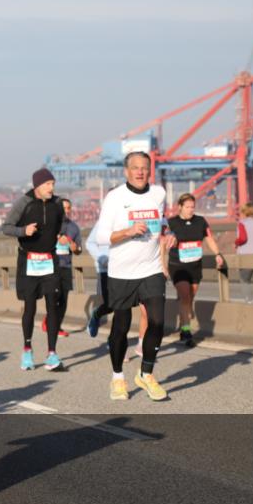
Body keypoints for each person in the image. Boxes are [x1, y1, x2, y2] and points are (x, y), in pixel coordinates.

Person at [93, 151, 170, 401]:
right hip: (122, 272)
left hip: (151, 268)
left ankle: (146, 373)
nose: (140, 172)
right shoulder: (115, 198)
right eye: (135, 167)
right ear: (126, 171)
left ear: (150, 171)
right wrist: (128, 231)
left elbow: (161, 220)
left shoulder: (159, 194)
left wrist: (168, 232)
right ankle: (117, 378)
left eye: (144, 168)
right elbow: (102, 237)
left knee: (157, 321)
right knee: (121, 328)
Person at [1, 168, 68, 372]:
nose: (51, 188)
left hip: (49, 260)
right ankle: (27, 349)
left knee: (52, 305)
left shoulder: (57, 204)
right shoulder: (24, 203)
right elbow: (6, 227)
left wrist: (61, 235)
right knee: (30, 307)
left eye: (53, 184)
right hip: (28, 261)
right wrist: (24, 231)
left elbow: (62, 224)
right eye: (48, 184)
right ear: (37, 186)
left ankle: (52, 353)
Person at [165, 193, 224, 347]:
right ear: (180, 207)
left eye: (192, 207)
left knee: (190, 297)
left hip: (195, 266)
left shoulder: (200, 221)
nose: (191, 210)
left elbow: (209, 238)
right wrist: (162, 264)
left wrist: (217, 254)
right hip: (178, 265)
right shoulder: (171, 223)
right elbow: (163, 243)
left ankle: (184, 315)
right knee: (185, 296)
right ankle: (186, 331)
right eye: (187, 207)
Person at [48, 198, 82, 337]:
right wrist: (55, 238)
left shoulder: (74, 227)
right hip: (51, 266)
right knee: (53, 298)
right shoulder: (50, 225)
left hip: (66, 267)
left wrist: (75, 247)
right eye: (63, 207)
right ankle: (53, 326)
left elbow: (79, 250)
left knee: (63, 299)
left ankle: (57, 325)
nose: (65, 210)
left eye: (68, 208)